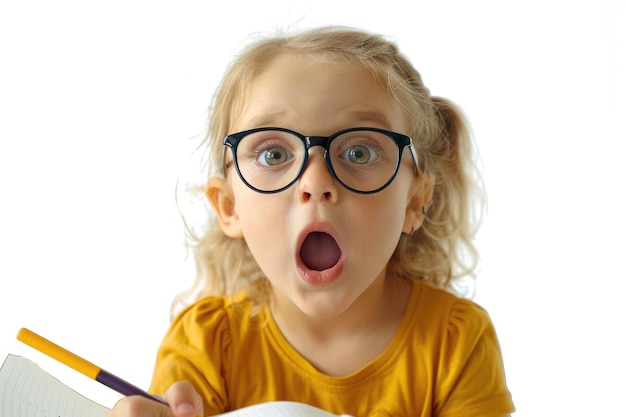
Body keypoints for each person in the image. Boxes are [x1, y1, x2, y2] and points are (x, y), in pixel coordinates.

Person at [110, 25, 515, 417]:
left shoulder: (455, 341)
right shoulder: (207, 344)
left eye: (359, 152)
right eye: (273, 154)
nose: (316, 182)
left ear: (414, 202)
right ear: (229, 206)